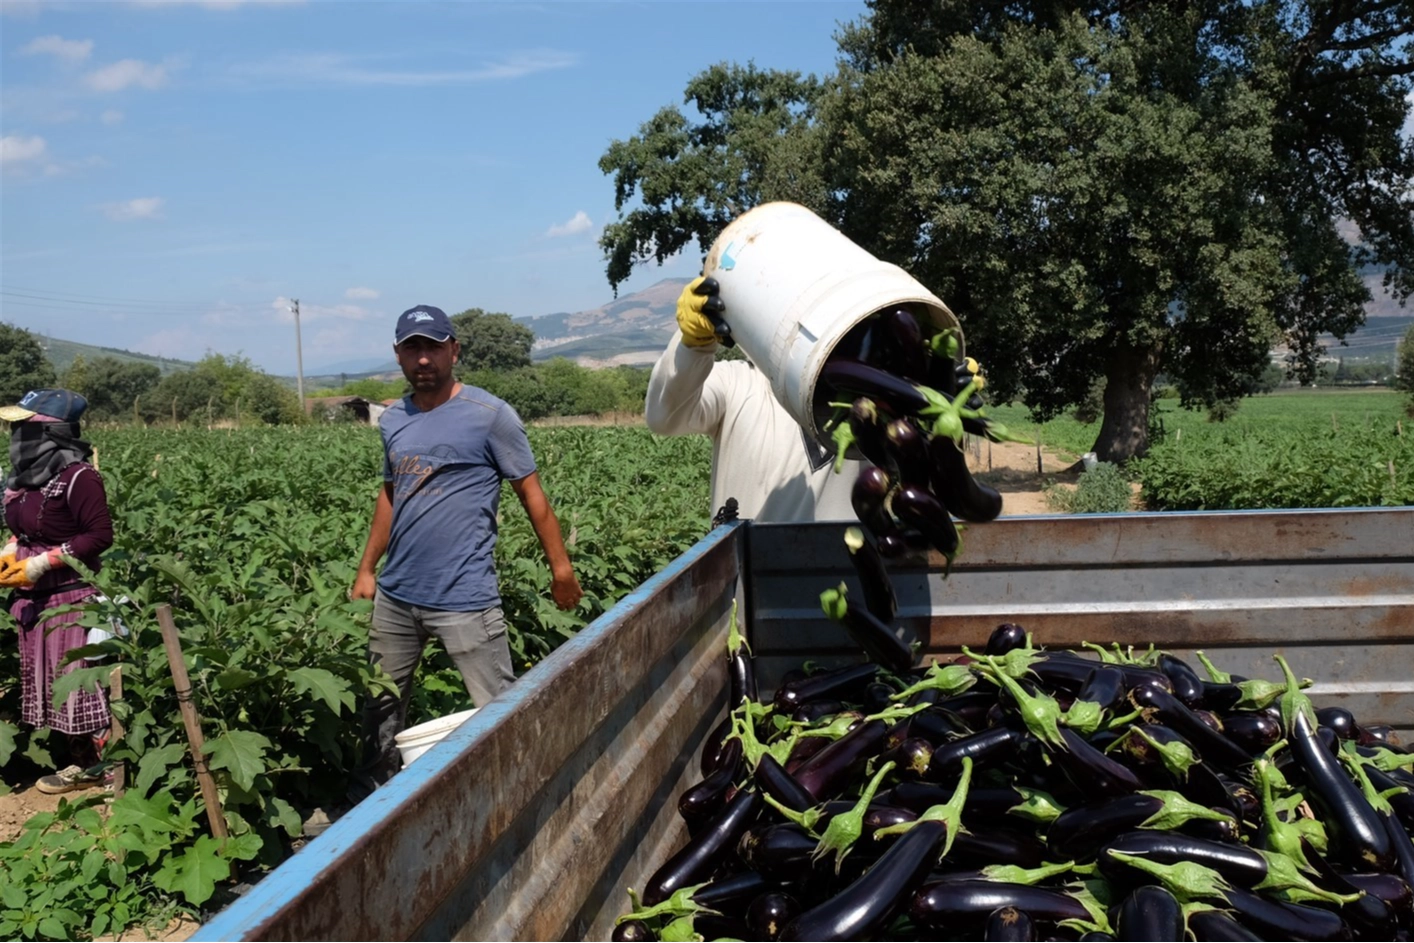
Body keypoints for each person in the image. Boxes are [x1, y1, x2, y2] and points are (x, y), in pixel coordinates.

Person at [350, 304, 583, 790]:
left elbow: (531, 495)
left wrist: (561, 570)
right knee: (379, 708)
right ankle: (374, 806)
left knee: (497, 711)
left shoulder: (490, 415)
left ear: (453, 350)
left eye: (432, 346)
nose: (423, 359)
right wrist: (367, 569)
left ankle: (526, 791)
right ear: (398, 355)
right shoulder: (394, 419)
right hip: (396, 597)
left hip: (465, 596)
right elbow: (391, 494)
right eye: (412, 348)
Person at [645, 278, 865, 522]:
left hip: (849, 558)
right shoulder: (736, 382)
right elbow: (663, 417)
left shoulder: (864, 390)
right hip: (743, 559)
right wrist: (692, 346)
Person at [0, 389, 115, 795]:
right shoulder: (26, 477)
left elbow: (99, 535)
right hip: (36, 598)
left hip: (73, 596)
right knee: (56, 683)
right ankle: (80, 764)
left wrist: (43, 562)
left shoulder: (79, 477)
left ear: (53, 431)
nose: (15, 433)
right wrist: (13, 550)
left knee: (80, 682)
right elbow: (27, 527)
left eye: (23, 426)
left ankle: (102, 769)